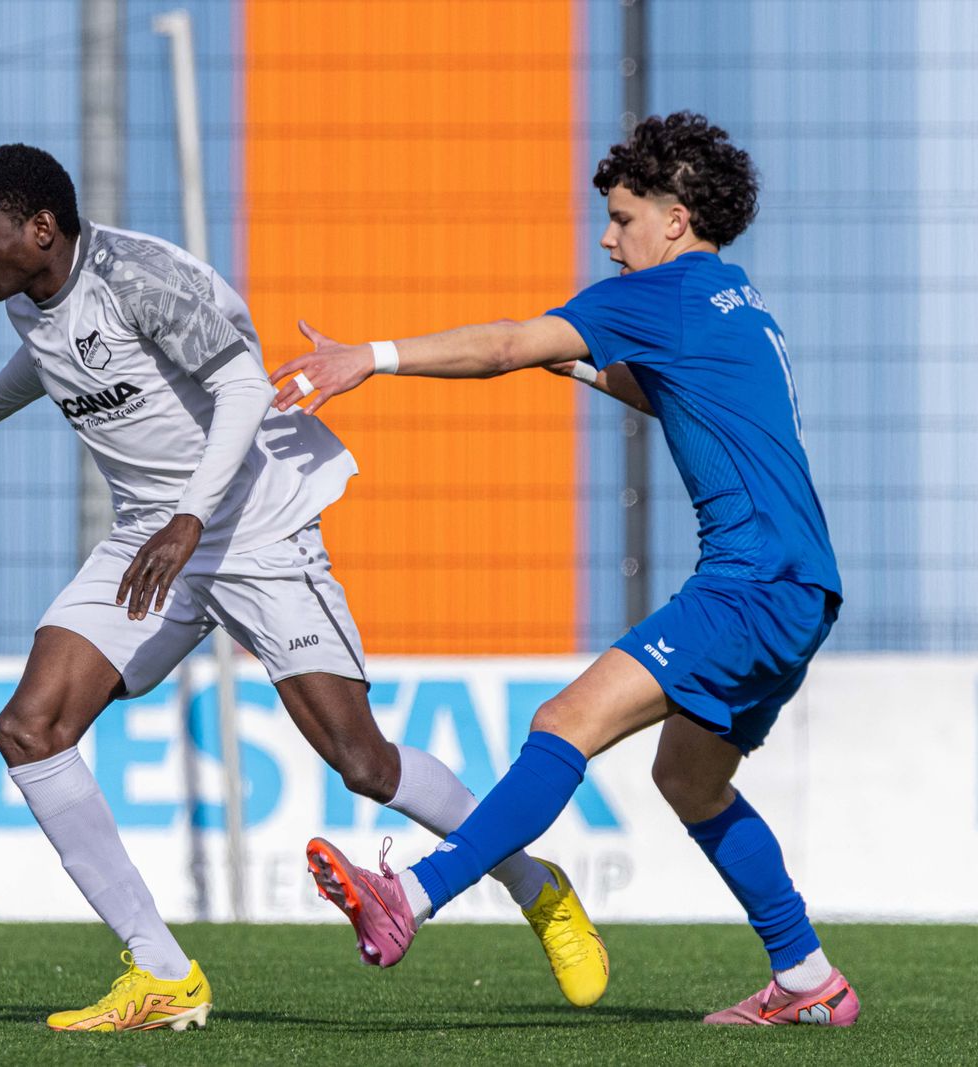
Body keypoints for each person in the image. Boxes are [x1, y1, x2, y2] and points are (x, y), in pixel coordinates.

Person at [0, 143, 609, 1033]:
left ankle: (535, 884)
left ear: (40, 229)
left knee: (363, 763)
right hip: (149, 537)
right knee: (29, 728)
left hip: (254, 527)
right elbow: (51, 358)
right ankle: (163, 972)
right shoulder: (26, 294)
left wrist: (192, 516)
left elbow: (241, 386)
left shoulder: (142, 278)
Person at [278, 112, 858, 1028]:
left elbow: (506, 344)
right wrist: (583, 365)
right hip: (803, 584)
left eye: (623, 219)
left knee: (563, 723)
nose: (608, 238)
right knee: (690, 781)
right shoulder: (731, 295)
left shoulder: (661, 293)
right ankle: (807, 976)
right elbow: (675, 392)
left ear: (675, 221)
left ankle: (411, 895)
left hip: (747, 582)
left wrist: (369, 359)